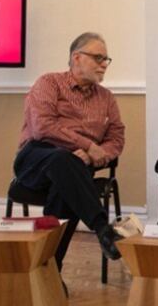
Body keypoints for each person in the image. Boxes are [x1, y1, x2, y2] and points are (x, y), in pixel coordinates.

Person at [13, 32, 125, 266]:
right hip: (36, 158)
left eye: (106, 59)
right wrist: (87, 146)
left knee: (65, 181)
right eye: (98, 58)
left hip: (76, 169)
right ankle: (102, 227)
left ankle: (48, 269)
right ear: (76, 58)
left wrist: (92, 157)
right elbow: (43, 127)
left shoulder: (106, 98)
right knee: (63, 161)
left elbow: (116, 137)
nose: (104, 64)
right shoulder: (49, 83)